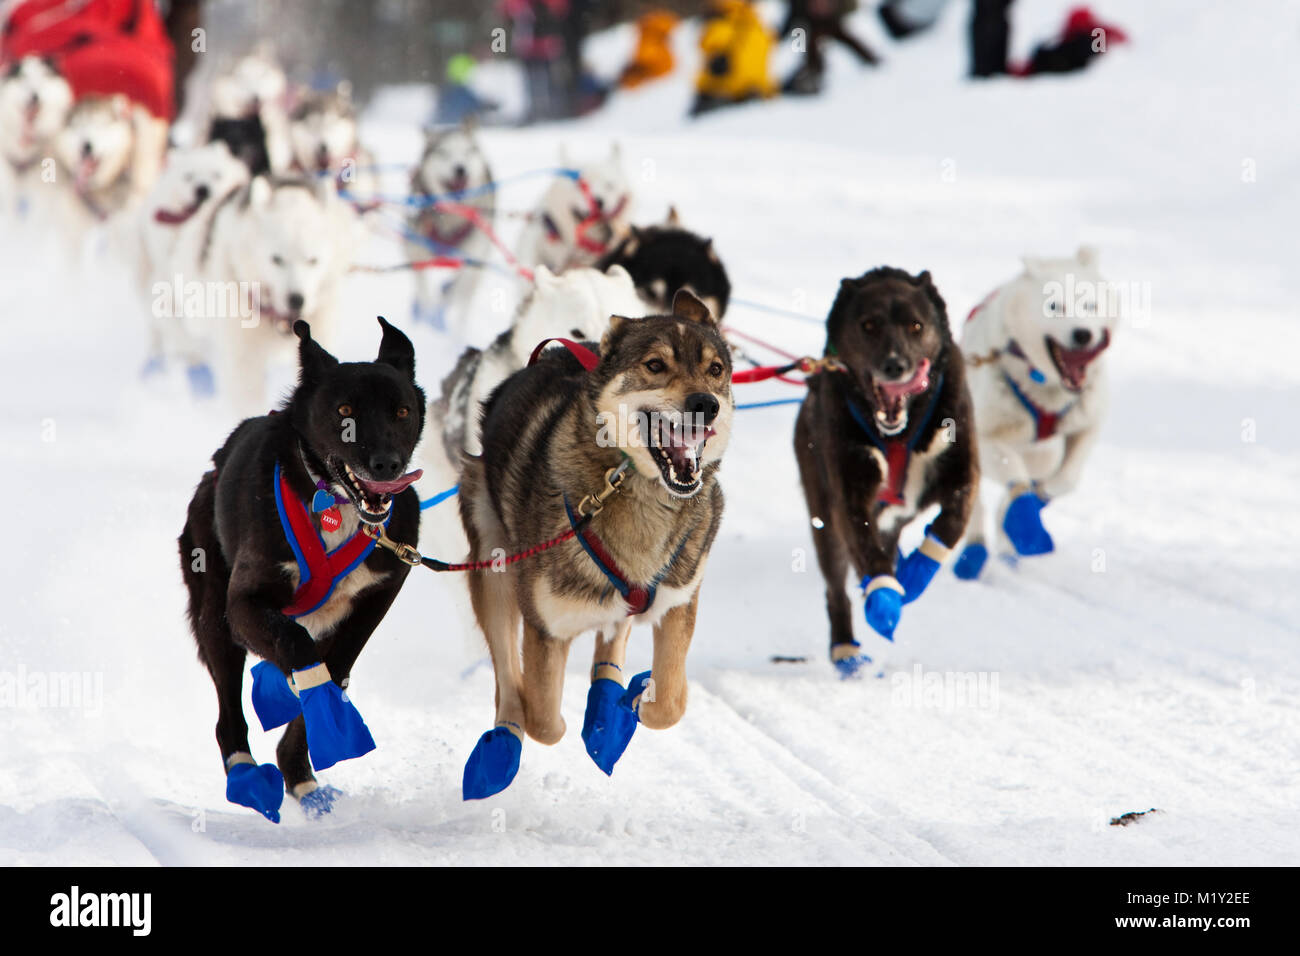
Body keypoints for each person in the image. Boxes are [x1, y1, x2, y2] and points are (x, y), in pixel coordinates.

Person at [780, 0, 880, 96]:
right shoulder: (798, 5)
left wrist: (832, 8)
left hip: (830, 18)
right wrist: (780, 36)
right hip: (812, 22)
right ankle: (813, 75)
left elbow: (849, 6)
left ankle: (871, 61)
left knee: (842, 36)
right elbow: (794, 15)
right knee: (811, 44)